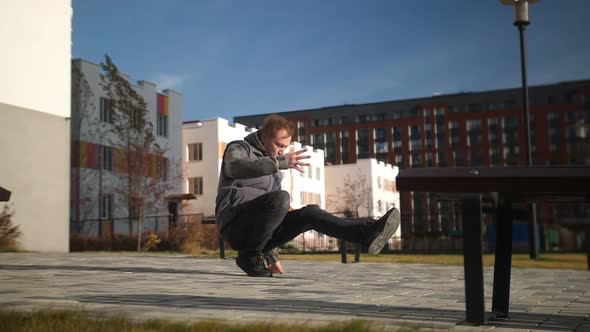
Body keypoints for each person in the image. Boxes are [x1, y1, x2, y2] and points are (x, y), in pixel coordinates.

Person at [215, 114, 400, 277]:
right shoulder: (239, 148)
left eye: (285, 147)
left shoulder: (275, 172)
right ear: (264, 136)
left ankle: (365, 233)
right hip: (235, 225)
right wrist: (279, 162)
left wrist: (272, 259)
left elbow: (271, 217)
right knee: (281, 198)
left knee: (308, 213)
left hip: (257, 235)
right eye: (279, 145)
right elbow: (235, 167)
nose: (282, 151)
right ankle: (249, 256)